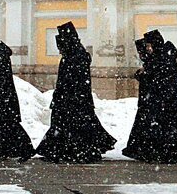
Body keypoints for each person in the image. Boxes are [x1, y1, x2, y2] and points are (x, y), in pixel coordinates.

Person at [35, 22, 116, 162]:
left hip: (74, 99)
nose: (59, 51)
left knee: (74, 126)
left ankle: (73, 151)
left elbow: (74, 80)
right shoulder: (73, 55)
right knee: (70, 125)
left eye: (60, 47)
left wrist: (66, 95)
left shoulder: (78, 56)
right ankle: (67, 150)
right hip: (71, 98)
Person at [122, 30, 177, 163]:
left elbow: (159, 79)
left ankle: (165, 154)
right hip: (162, 100)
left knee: (165, 128)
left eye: (149, 45)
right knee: (163, 128)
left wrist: (144, 74)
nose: (148, 49)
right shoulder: (162, 56)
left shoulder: (163, 57)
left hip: (165, 101)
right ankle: (161, 153)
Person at [0, 31, 36, 160]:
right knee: (7, 123)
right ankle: (13, 149)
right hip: (4, 95)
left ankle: (22, 148)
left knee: (5, 124)